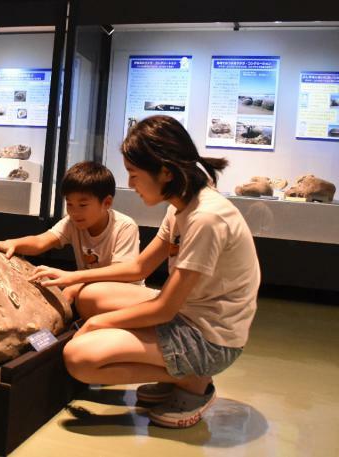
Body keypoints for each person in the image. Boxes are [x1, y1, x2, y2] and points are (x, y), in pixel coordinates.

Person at [29, 115, 260, 428]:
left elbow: (165, 308)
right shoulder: (181, 207)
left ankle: (192, 381)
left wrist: (98, 323)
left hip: (210, 338)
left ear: (165, 172)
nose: (132, 184)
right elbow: (138, 267)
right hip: (187, 313)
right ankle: (175, 371)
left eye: (134, 174)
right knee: (91, 294)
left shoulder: (206, 219)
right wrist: (72, 277)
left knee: (79, 358)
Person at [0, 161, 143, 307]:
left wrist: (76, 281)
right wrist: (12, 243)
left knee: (77, 293)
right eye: (69, 204)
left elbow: (121, 272)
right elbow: (41, 241)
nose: (74, 212)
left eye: (83, 205)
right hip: (91, 286)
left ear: (106, 202)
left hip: (125, 293)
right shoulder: (72, 223)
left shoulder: (124, 227)